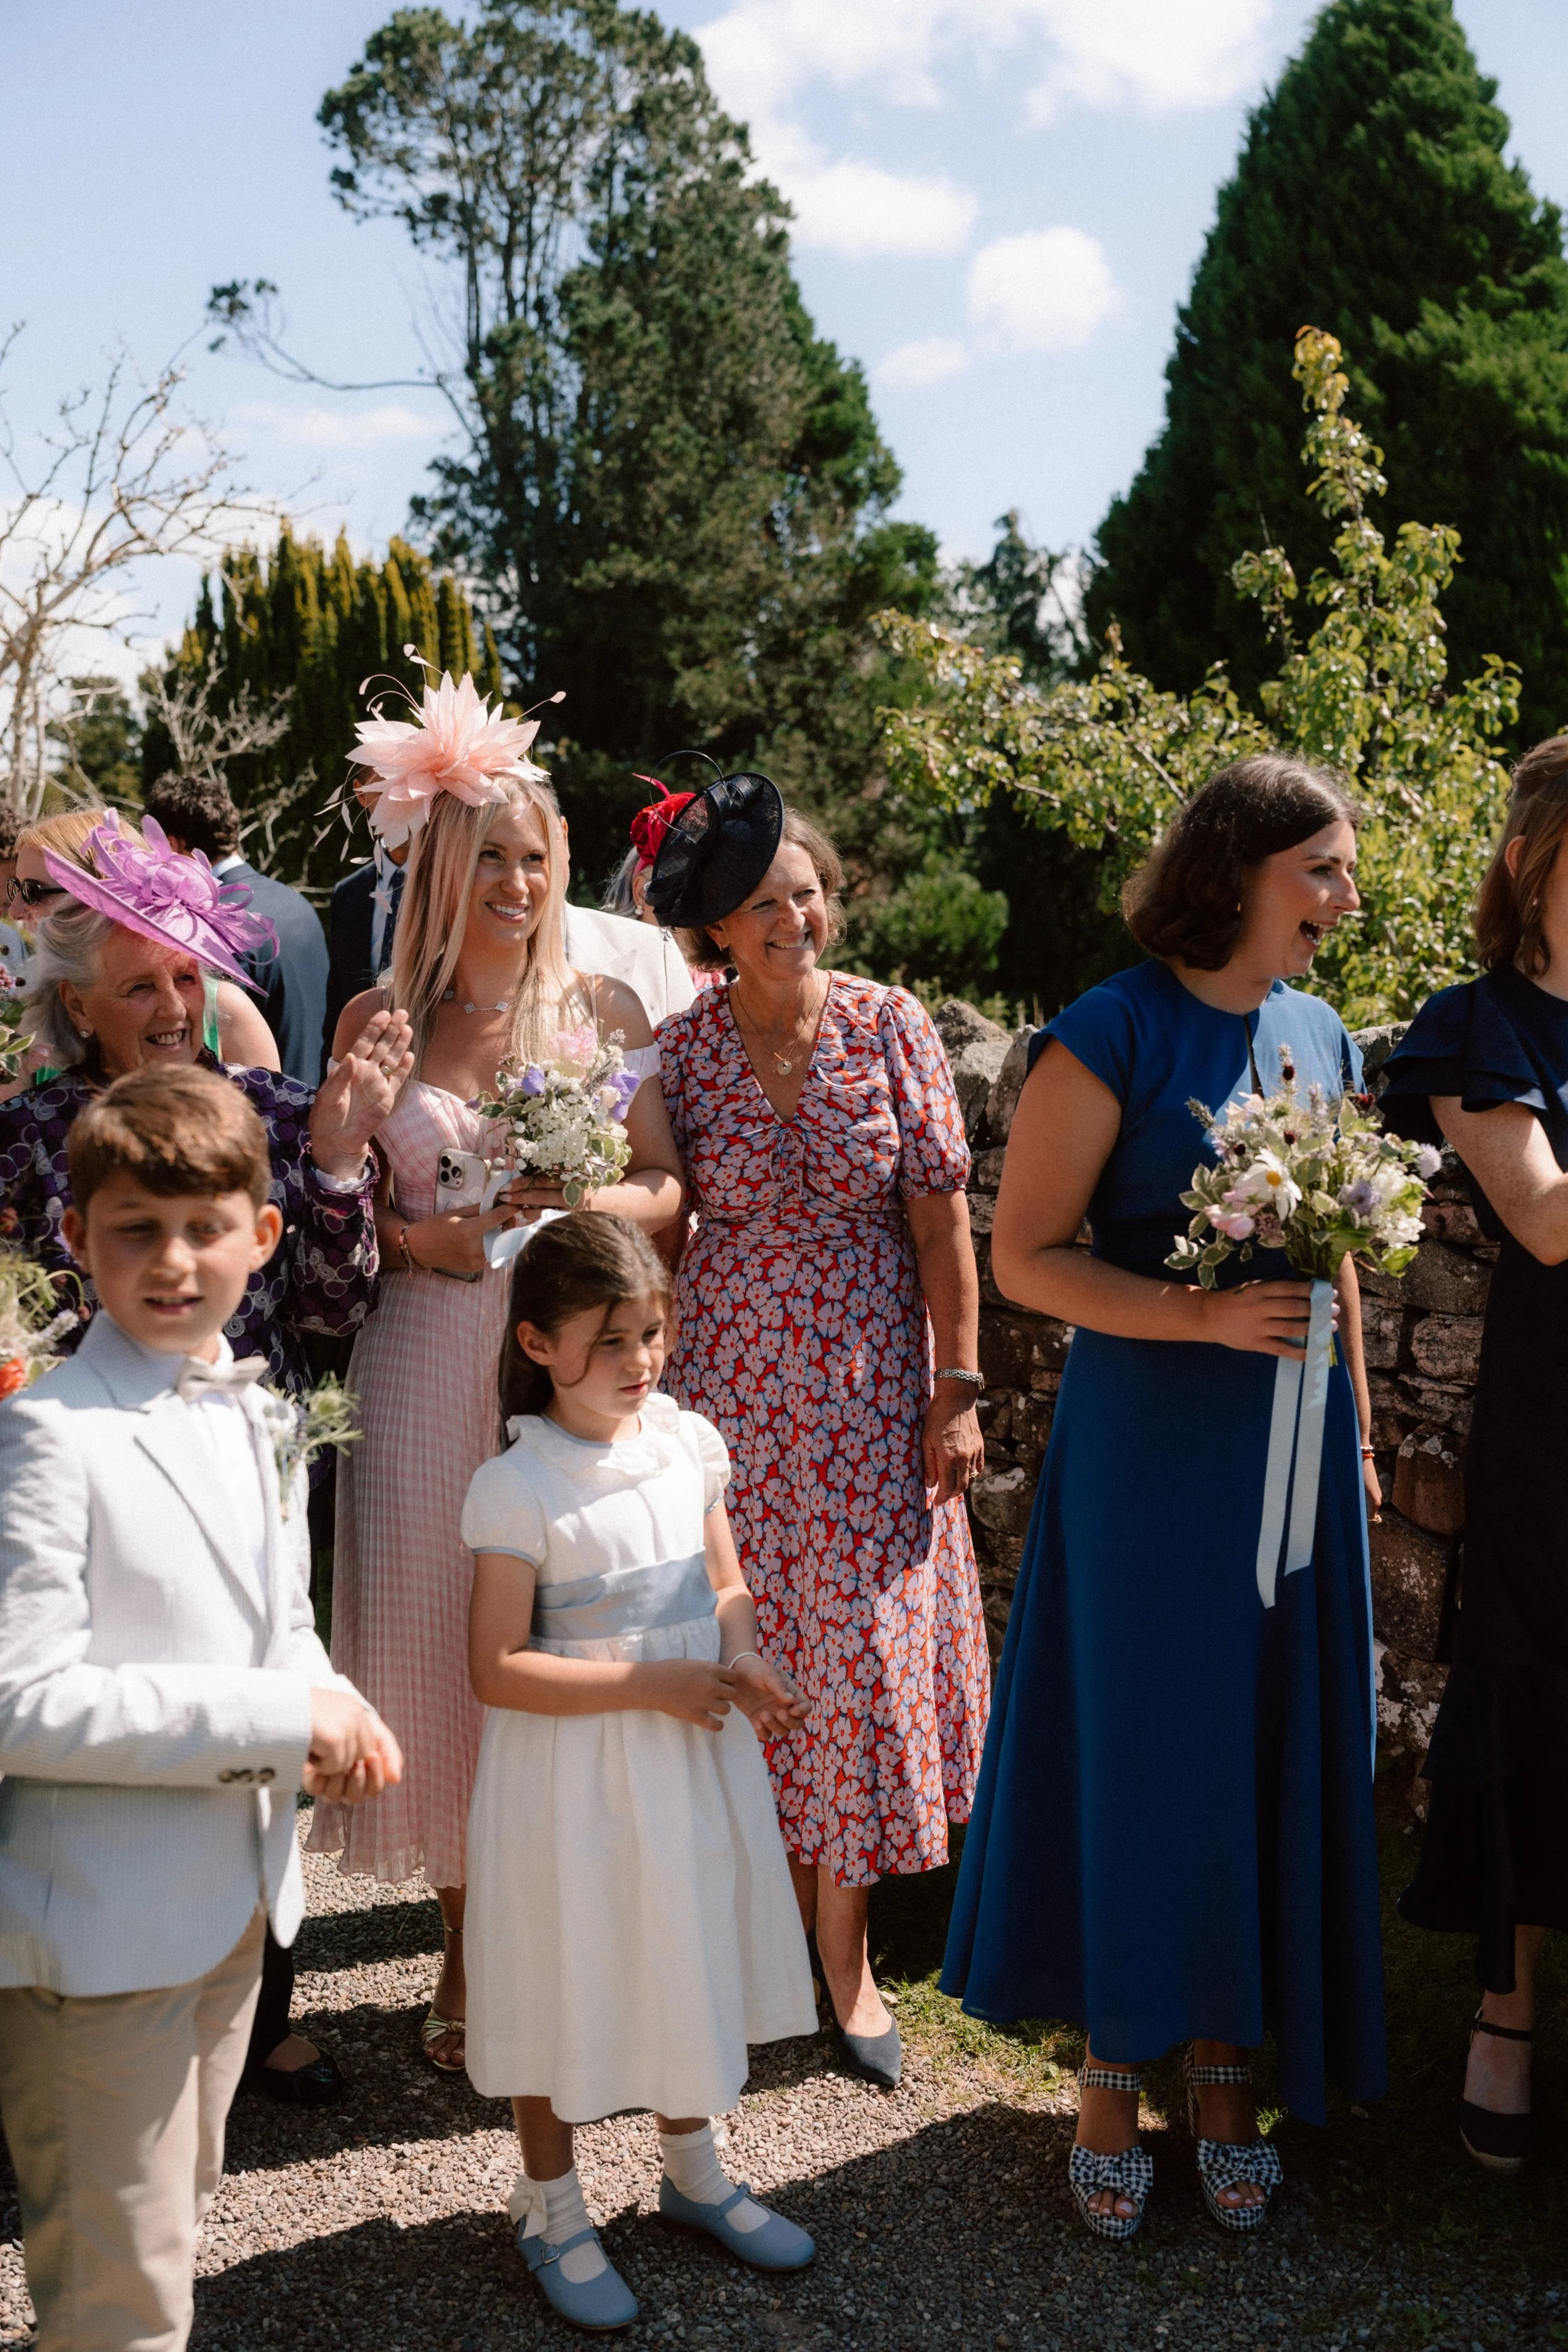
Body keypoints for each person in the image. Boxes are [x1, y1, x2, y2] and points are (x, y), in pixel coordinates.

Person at [940, 756, 1387, 2240]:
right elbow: (1024, 1258)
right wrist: (1196, 1320)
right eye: (1320, 867)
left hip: (1296, 1447)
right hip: (1151, 1450)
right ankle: (1110, 2079)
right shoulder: (1110, 1027)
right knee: (1146, 1746)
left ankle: (1223, 2073)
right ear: (1241, 869)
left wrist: (1362, 1433)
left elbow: (1334, 1257)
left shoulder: (1318, 1033)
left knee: (1259, 1741)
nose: (1345, 896)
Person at [309, 680, 685, 2077]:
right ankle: (468, 1946)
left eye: (537, 856)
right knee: (438, 1654)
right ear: (437, 872)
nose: (518, 882)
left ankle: (569, 1931)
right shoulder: (380, 1012)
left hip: (567, 1377)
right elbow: (332, 1203)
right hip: (419, 1369)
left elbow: (667, 1192)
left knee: (566, 1636)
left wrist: (573, 1201)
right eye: (491, 859)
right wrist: (428, 1234)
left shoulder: (595, 1008)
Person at [0, 815, 405, 2108]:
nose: (174, 1004)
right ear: (79, 1005)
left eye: (185, 973)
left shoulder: (276, 1111)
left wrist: (338, 1158)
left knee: (249, 1696)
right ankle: (72, 1997)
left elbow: (336, 1305)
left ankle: (257, 2007)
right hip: (88, 1470)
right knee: (93, 1724)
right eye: (139, 984)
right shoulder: (27, 1136)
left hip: (251, 1453)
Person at [0, 1064, 402, 2352]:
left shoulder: (256, 1410)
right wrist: (275, 1725)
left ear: (264, 1236)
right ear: (75, 1239)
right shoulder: (53, 1435)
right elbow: (22, 1699)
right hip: (105, 1943)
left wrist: (334, 1699)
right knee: (119, 2299)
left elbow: (276, 1622)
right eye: (136, 1229)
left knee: (172, 2225)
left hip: (234, 1914)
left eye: (203, 1227)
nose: (174, 1261)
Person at [649, 774, 990, 2092]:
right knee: (756, 1663)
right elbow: (662, 1228)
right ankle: (754, 1943)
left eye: (803, 890)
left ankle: (842, 1963)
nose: (790, 913)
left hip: (866, 1399)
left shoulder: (892, 1026)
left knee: (850, 1663)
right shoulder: (680, 1054)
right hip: (730, 1400)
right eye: (759, 900)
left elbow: (941, 1222)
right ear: (715, 931)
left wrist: (953, 1389)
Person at [464, 1212, 818, 2331]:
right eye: (611, 1340)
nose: (641, 1361)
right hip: (570, 1776)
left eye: (653, 1334)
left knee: (682, 1937)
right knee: (561, 1956)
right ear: (537, 1347)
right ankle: (552, 2206)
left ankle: (693, 2168)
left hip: (685, 1756)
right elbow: (497, 1668)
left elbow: (723, 1585)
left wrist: (742, 1653)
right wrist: (646, 1685)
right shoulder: (520, 1487)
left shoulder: (685, 1443)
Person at [1379, 734, 1568, 2173]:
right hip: (1548, 1420)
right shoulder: (1479, 1024)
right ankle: (1503, 2011)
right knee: (1530, 1674)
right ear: (1530, 859)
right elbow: (1549, 1217)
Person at [2, 808, 278, 1092]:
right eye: (15, 889)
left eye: (32, 892)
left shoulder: (225, 1010)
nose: (16, 911)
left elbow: (273, 1120)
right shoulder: (28, 1013)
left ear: (99, 890)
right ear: (75, 1004)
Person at [146, 773, 330, 1086]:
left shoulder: (210, 924)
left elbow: (216, 1042)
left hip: (264, 1108)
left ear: (173, 844)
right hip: (315, 1095)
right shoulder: (297, 903)